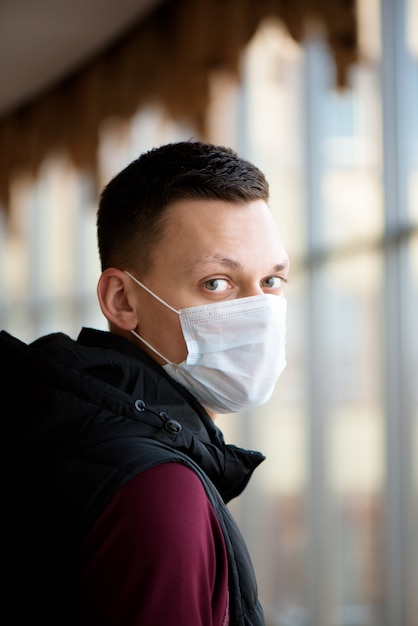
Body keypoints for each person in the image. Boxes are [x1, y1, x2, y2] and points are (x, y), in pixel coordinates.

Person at [1, 140, 289, 625]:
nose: (259, 311)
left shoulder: (65, 433)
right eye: (216, 282)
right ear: (122, 300)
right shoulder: (157, 490)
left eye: (272, 282)